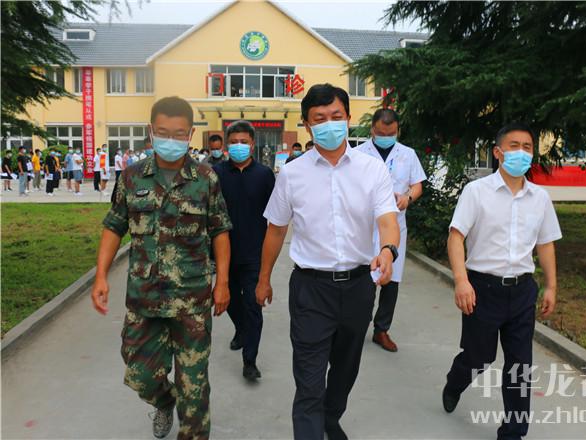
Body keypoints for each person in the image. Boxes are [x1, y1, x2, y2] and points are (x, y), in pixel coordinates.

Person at [256, 84, 400, 440]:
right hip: (311, 289)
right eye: (319, 118)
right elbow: (276, 229)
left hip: (358, 287)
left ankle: (330, 419)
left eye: (336, 116)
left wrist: (388, 251)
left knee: (345, 369)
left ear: (348, 119)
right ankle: (313, 426)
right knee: (309, 380)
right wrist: (263, 278)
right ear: (307, 125)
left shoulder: (372, 170)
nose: (329, 124)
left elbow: (387, 220)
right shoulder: (292, 174)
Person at [91, 96, 233, 440]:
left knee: (194, 387)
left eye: (179, 133)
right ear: (151, 131)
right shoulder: (132, 177)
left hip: (192, 299)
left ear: (191, 134)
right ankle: (164, 401)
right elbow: (114, 226)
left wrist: (223, 282)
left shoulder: (205, 178)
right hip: (145, 298)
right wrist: (100, 276)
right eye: (164, 132)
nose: (171, 139)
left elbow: (220, 231)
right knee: (140, 374)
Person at [443, 123, 562, 440]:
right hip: (482, 289)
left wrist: (551, 286)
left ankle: (513, 432)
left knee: (520, 365)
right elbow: (456, 237)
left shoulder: (539, 198)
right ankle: (455, 381)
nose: (521, 152)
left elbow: (545, 243)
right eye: (514, 146)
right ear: (498, 152)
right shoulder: (476, 192)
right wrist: (461, 280)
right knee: (478, 357)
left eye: (527, 147)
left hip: (522, 291)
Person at [356, 109, 426, 352]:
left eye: (391, 133)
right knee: (363, 277)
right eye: (381, 133)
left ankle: (381, 330)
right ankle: (357, 325)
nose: (386, 137)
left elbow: (417, 185)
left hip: (395, 225)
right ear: (372, 130)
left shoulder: (408, 154)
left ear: (398, 131)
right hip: (364, 226)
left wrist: (408, 197)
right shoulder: (357, 154)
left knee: (391, 278)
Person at [212, 120, 275, 381]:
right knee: (229, 301)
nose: (239, 146)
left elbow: (276, 216)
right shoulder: (215, 173)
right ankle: (241, 329)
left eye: (244, 142)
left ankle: (250, 361)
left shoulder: (264, 175)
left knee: (253, 306)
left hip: (254, 254)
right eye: (234, 142)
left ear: (252, 144)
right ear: (227, 145)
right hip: (223, 253)